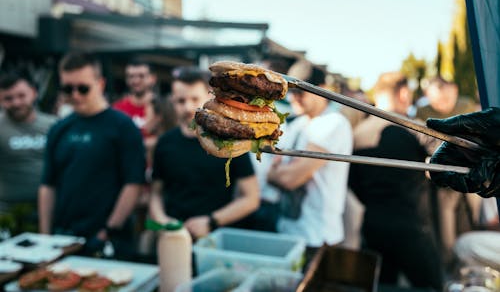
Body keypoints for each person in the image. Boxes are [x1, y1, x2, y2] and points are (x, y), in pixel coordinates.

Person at [38, 53, 146, 259]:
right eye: (68, 89)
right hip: (64, 237)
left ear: (100, 84)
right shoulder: (59, 129)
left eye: (83, 88)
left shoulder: (123, 127)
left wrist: (108, 231)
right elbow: (47, 185)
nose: (75, 95)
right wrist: (45, 236)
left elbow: (133, 184)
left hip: (107, 239)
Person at [349, 72, 443, 289]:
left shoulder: (358, 132)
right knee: (432, 286)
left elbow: (352, 183)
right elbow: (443, 162)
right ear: (403, 93)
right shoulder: (411, 126)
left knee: (381, 286)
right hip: (411, 226)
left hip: (372, 226)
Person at [149, 67, 259, 240]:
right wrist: (163, 222)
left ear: (209, 98)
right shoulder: (165, 143)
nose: (188, 107)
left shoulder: (229, 141)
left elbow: (251, 198)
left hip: (216, 239)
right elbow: (156, 193)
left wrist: (211, 221)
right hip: (174, 237)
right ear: (172, 101)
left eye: (195, 99)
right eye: (180, 101)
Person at [267, 65, 352, 263]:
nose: (293, 98)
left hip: (317, 236)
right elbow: (270, 174)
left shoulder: (333, 123)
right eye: (289, 92)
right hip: (288, 230)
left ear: (321, 90)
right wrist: (278, 173)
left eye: (300, 92)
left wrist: (278, 173)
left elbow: (288, 179)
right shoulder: (296, 124)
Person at [416, 76, 481, 267]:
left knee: (475, 215)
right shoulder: (423, 112)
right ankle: (448, 263)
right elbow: (423, 140)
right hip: (444, 172)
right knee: (445, 221)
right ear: (428, 96)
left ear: (454, 90)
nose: (442, 104)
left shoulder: (467, 105)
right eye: (436, 100)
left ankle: (472, 258)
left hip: (471, 169)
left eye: (446, 99)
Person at [0, 70, 56, 234]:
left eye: (21, 96)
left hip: (49, 209)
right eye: (8, 98)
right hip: (8, 213)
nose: (16, 103)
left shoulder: (53, 125)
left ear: (34, 93)